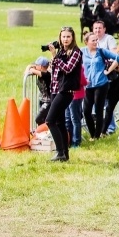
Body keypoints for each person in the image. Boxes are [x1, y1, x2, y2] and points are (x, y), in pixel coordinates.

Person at [45, 27, 82, 162]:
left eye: (68, 37)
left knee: (49, 120)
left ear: (72, 38)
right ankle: (64, 154)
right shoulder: (61, 51)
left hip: (66, 91)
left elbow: (68, 68)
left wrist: (55, 56)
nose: (65, 39)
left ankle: (59, 152)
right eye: (63, 37)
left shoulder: (76, 52)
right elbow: (54, 71)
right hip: (55, 89)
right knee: (60, 122)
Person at [82, 33, 119, 139]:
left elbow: (118, 58)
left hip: (101, 84)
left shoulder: (101, 51)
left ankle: (96, 136)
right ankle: (92, 133)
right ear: (86, 42)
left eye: (97, 40)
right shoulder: (82, 52)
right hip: (88, 86)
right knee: (86, 111)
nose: (96, 42)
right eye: (93, 40)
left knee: (98, 110)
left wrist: (109, 70)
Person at [64, 33, 89, 148]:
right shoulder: (79, 67)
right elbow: (84, 81)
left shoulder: (79, 67)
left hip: (76, 96)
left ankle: (76, 141)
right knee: (70, 118)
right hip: (71, 95)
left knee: (74, 118)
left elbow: (82, 81)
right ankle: (69, 140)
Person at [25, 56, 52, 126]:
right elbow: (28, 70)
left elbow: (31, 70)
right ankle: (44, 134)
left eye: (37, 65)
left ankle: (46, 133)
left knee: (38, 119)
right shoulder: (42, 72)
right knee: (44, 119)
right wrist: (31, 66)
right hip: (43, 100)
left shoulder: (47, 75)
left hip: (48, 101)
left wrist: (31, 68)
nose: (35, 66)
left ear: (41, 66)